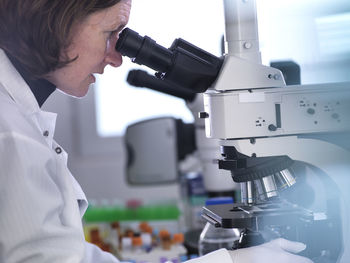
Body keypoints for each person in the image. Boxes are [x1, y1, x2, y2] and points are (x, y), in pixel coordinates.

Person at [0, 0, 313, 262]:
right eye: (111, 33)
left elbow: (72, 257)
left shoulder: (19, 118)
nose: (117, 58)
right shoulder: (11, 135)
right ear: (55, 22)